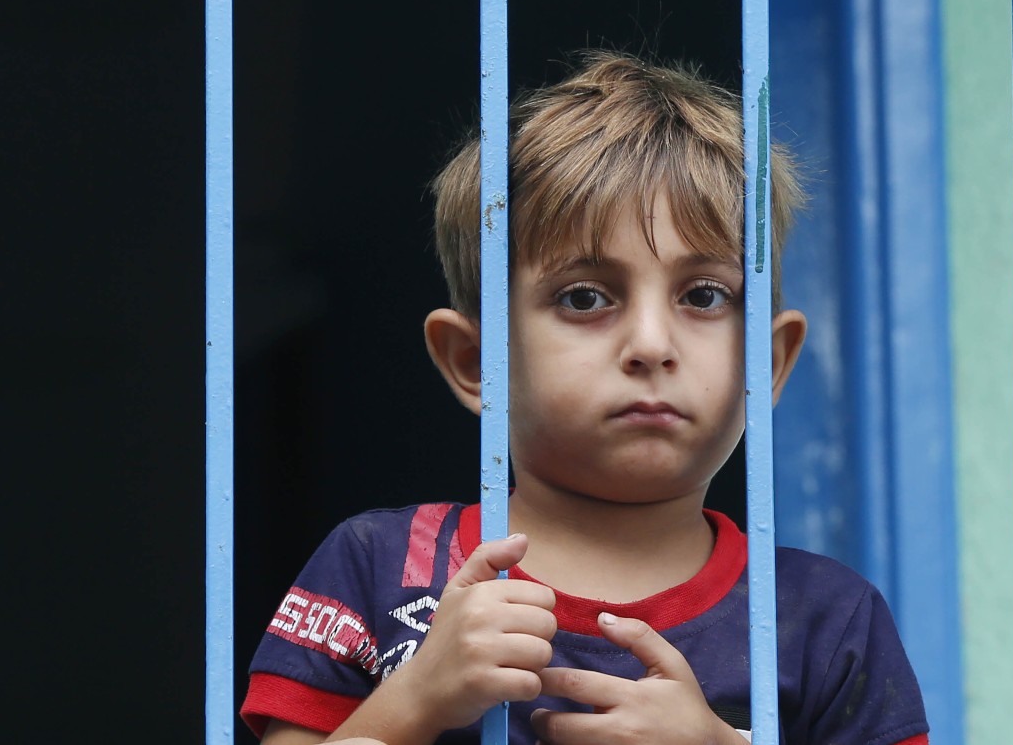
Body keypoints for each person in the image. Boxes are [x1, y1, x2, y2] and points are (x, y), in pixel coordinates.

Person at [240, 52, 930, 745]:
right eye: (584, 297)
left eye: (703, 295)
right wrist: (416, 698)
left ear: (769, 363)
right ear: (475, 362)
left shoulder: (822, 619)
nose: (651, 343)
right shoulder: (379, 567)